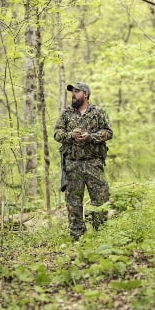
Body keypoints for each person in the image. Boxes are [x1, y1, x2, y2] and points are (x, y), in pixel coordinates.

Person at [54, 82, 113, 241]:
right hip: (72, 164)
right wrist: (70, 135)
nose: (73, 94)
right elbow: (57, 134)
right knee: (73, 203)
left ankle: (101, 236)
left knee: (100, 200)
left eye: (77, 91)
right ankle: (77, 239)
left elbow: (108, 132)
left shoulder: (98, 112)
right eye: (72, 92)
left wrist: (90, 137)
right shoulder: (66, 114)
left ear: (85, 94)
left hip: (94, 163)